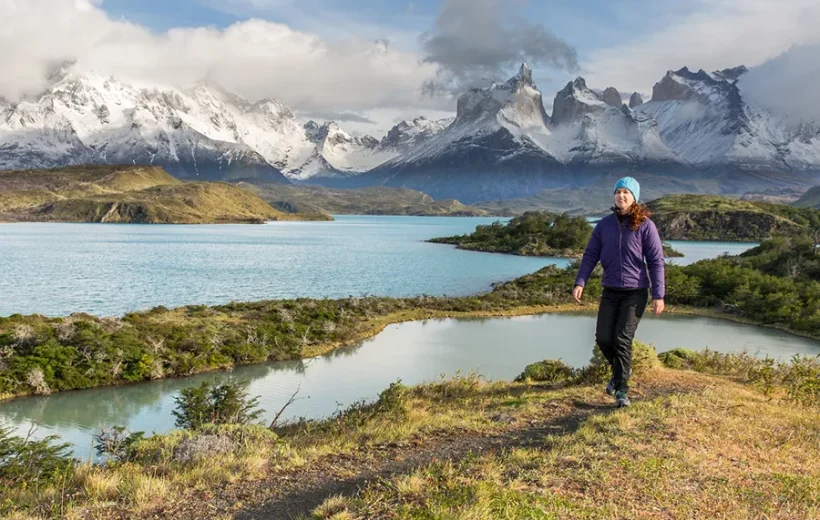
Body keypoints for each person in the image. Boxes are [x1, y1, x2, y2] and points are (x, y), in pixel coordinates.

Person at [572, 177, 665, 408]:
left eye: (626, 192)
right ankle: (619, 372)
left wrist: (658, 294)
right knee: (603, 338)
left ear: (634, 197)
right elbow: (590, 255)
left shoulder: (645, 225)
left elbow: (655, 261)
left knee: (622, 339)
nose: (621, 196)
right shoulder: (604, 225)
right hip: (611, 290)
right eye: (618, 192)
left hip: (636, 292)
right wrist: (580, 281)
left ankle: (622, 391)